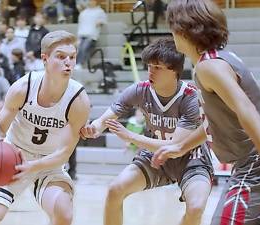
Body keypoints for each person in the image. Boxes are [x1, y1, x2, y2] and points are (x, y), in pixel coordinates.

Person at [152, 1, 260, 224]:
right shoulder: (219, 59)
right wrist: (180, 146)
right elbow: (216, 120)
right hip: (256, 159)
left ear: (182, 29)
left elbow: (245, 107)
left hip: (254, 163)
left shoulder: (209, 67)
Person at [0, 30, 90, 225]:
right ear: (44, 59)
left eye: (72, 57)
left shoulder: (78, 100)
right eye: (61, 57)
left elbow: (64, 153)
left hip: (48, 163)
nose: (68, 62)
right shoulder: (23, 88)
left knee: (64, 212)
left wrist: (32, 167)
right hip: (13, 158)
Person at [80, 37, 213, 225]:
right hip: (154, 157)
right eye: (149, 66)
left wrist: (130, 136)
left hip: (191, 159)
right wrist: (94, 128)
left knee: (196, 208)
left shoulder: (190, 97)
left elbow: (175, 146)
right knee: (115, 190)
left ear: (174, 70)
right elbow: (105, 119)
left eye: (157, 67)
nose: (151, 71)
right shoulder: (139, 90)